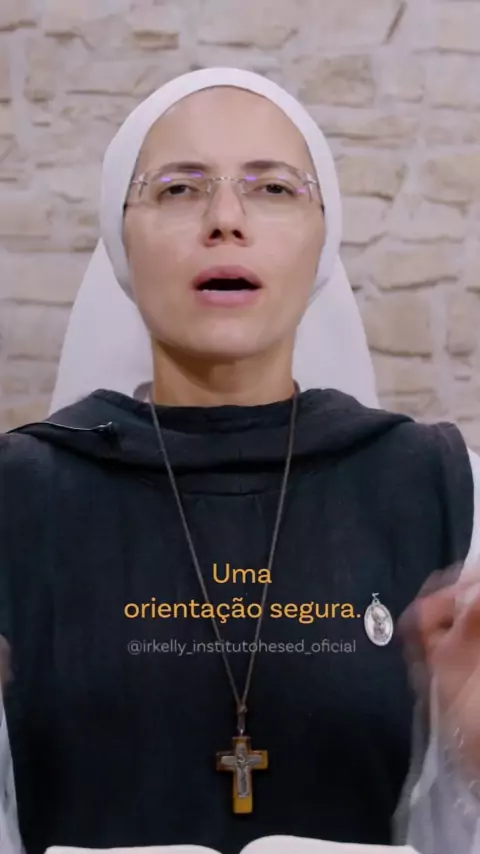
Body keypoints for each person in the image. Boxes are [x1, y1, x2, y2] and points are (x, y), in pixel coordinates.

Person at [1, 67, 480, 854]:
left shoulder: (447, 493)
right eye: (179, 189)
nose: (225, 219)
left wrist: (471, 756)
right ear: (121, 238)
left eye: (273, 188)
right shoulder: (17, 500)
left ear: (324, 236)